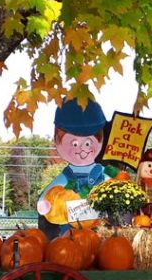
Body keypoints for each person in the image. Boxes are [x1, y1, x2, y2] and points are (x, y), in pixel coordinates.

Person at [37, 99, 112, 239]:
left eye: (88, 143)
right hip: (71, 227)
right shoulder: (67, 174)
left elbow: (112, 185)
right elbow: (52, 189)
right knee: (69, 243)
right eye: (75, 143)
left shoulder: (101, 173)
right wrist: (44, 202)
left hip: (98, 224)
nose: (83, 149)